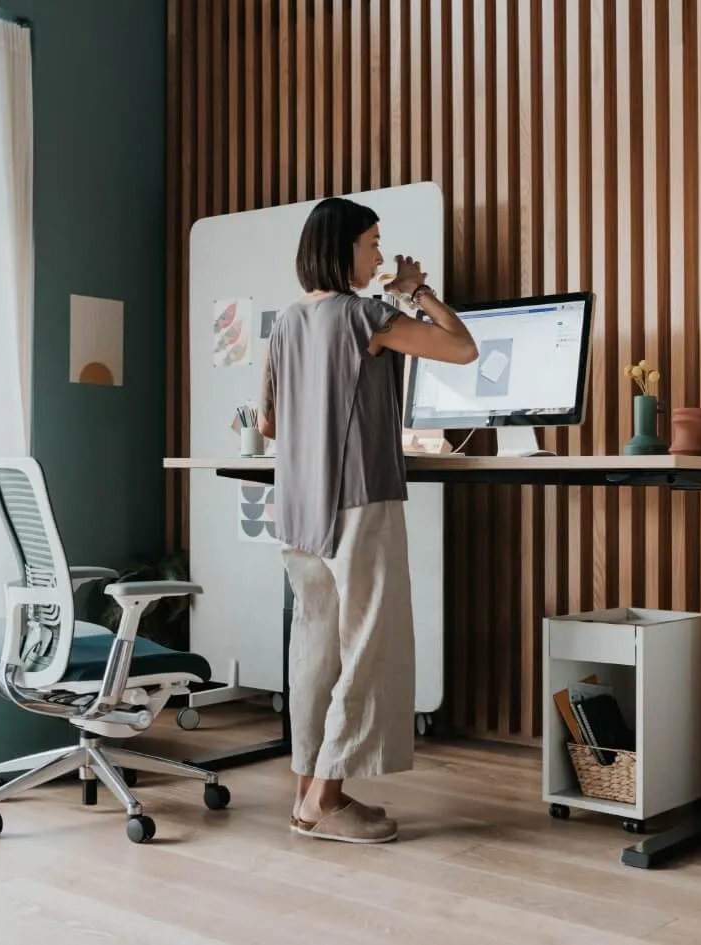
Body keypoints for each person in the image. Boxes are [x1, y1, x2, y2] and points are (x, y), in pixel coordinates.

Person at [256, 196, 477, 843]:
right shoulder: (366, 316)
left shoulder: (285, 323)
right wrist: (419, 291)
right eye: (373, 243)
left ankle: (309, 790)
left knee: (316, 648)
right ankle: (326, 796)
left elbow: (268, 422)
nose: (380, 256)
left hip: (298, 504)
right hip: (358, 494)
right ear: (343, 247)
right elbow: (462, 349)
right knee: (368, 643)